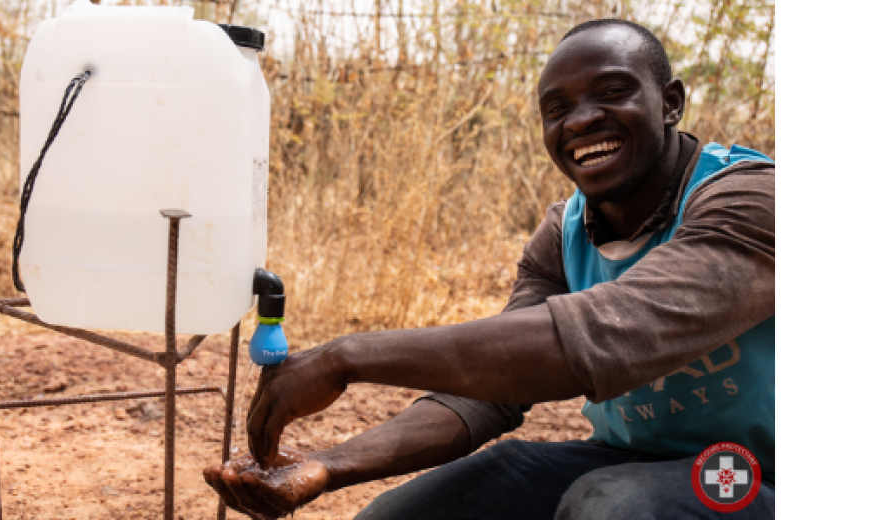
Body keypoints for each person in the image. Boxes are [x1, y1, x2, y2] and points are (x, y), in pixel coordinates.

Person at [203, 18, 775, 519]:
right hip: (632, 460)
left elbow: (605, 334)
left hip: (761, 474)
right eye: (558, 109)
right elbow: (489, 394)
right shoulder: (563, 233)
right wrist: (327, 466)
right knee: (411, 513)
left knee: (617, 505)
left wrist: (345, 357)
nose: (580, 120)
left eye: (614, 91)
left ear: (670, 101)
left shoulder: (750, 199)